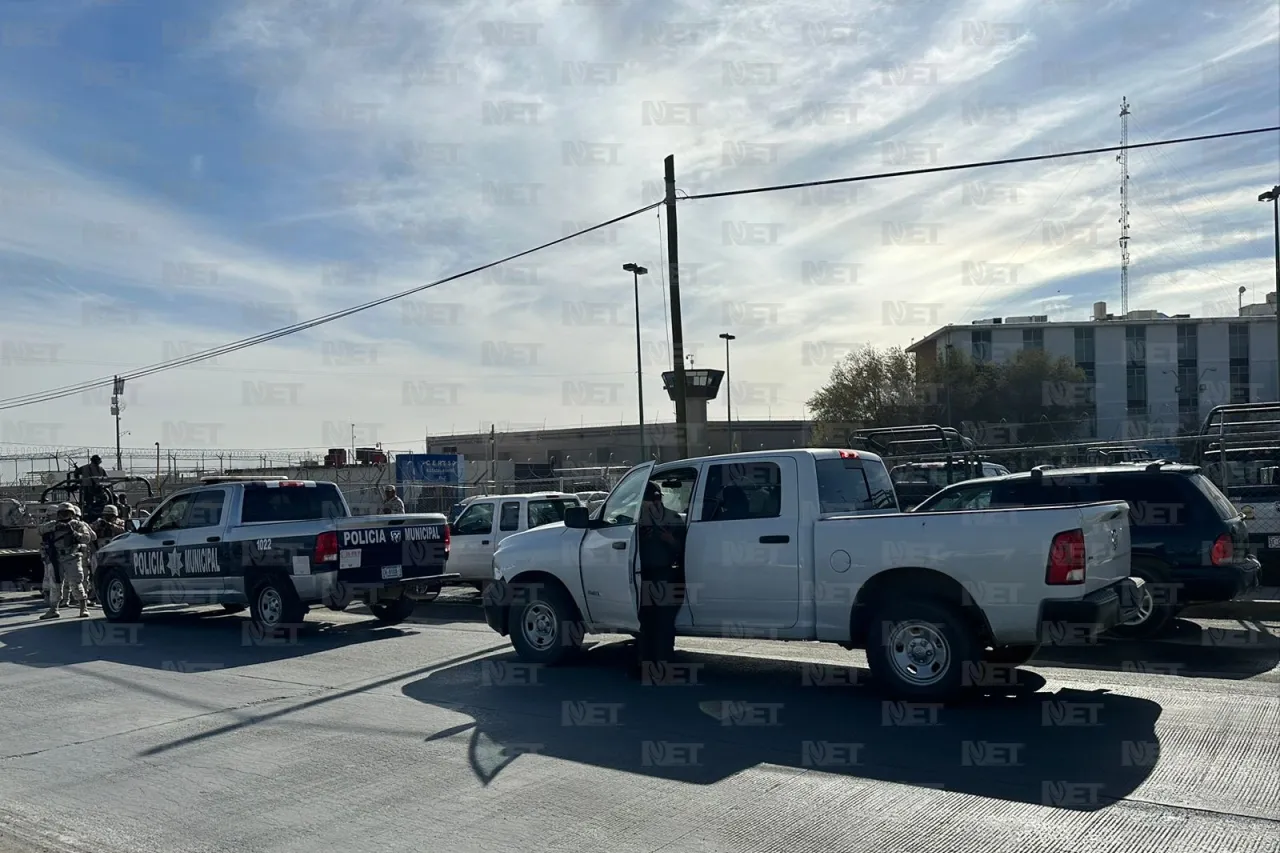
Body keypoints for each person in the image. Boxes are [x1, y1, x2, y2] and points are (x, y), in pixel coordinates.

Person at [632, 481, 687, 681]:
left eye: (656, 499)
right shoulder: (636, 521)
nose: (653, 503)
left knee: (664, 624)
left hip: (666, 575)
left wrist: (669, 540)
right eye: (649, 500)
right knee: (645, 623)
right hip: (642, 575)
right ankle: (646, 666)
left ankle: (664, 666)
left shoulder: (673, 518)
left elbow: (685, 552)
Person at [37, 503, 96, 620]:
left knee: (76, 583)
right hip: (56, 558)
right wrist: (55, 527)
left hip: (72, 557)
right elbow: (40, 530)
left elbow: (87, 538)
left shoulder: (78, 525)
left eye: (67, 513)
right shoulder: (53, 525)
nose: (65, 515)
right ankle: (54, 609)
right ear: (58, 514)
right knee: (55, 585)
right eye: (62, 513)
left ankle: (83, 608)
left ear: (72, 514)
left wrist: (73, 532)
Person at [87, 505, 126, 606]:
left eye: (110, 515)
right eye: (106, 515)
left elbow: (124, 530)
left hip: (115, 550)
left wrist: (110, 525)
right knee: (96, 573)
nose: (108, 517)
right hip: (100, 550)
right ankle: (96, 595)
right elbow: (89, 530)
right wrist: (99, 525)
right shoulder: (99, 522)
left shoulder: (120, 522)